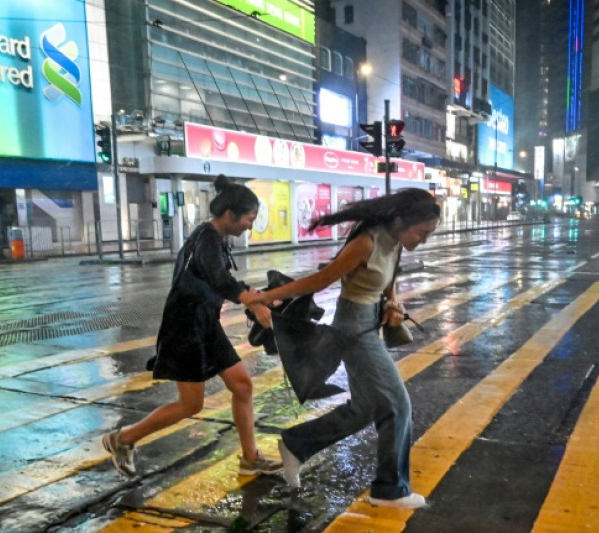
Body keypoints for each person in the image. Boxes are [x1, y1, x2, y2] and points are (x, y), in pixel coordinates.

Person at [241, 188, 441, 509]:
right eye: (422, 233)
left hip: (368, 324)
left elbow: (389, 276)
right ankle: (390, 490)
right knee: (397, 404)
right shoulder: (366, 243)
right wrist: (266, 296)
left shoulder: (395, 242)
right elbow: (320, 280)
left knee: (364, 408)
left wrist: (392, 301)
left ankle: (297, 444)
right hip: (353, 330)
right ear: (401, 221)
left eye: (429, 234)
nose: (424, 240)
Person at [102, 175, 282, 478]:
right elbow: (219, 279)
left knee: (242, 385)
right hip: (184, 327)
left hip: (205, 323)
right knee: (191, 405)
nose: (249, 226)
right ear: (230, 214)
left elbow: (223, 279)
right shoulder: (206, 238)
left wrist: (258, 296)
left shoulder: (215, 240)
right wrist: (252, 301)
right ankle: (123, 439)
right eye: (249, 219)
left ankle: (251, 459)